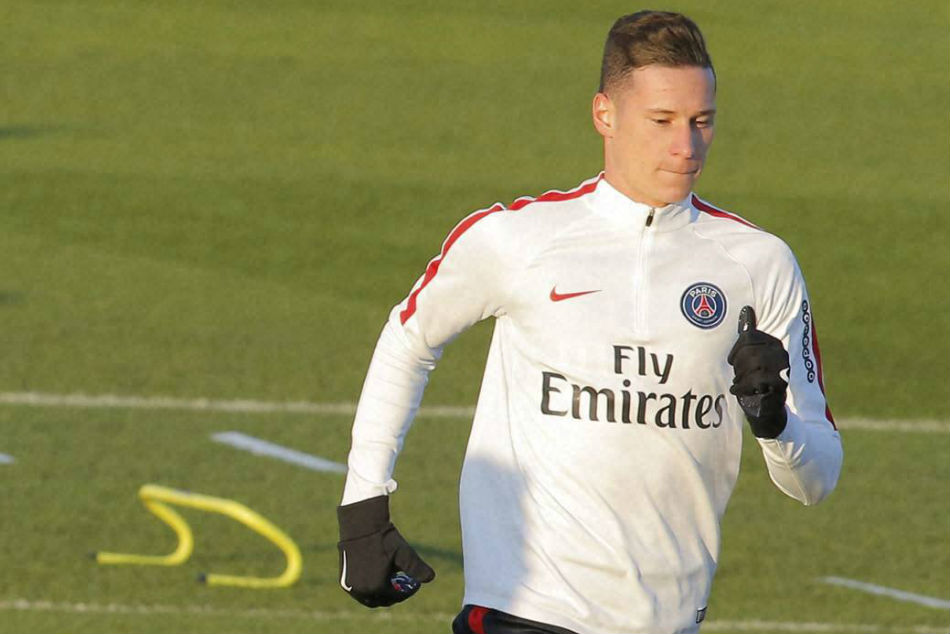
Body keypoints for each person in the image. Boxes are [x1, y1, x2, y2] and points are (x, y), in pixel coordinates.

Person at [335, 10, 843, 634]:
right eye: (662, 120)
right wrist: (363, 508)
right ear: (605, 114)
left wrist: (774, 422)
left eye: (701, 121)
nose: (686, 147)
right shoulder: (518, 239)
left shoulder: (759, 264)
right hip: (522, 610)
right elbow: (409, 340)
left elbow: (816, 479)